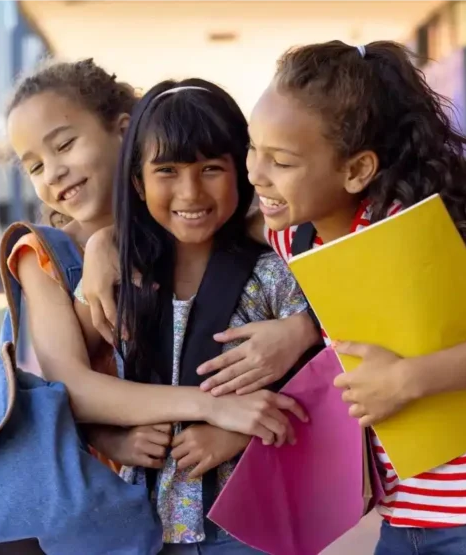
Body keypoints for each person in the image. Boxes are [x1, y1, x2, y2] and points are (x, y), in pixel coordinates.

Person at [81, 41, 466, 555]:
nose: (255, 174)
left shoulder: (408, 227)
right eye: (253, 149)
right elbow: (200, 219)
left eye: (283, 161)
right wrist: (104, 242)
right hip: (405, 515)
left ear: (357, 170)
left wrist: (407, 379)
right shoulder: (293, 237)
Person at [4, 59, 314, 452]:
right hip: (109, 485)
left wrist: (304, 329)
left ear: (124, 132)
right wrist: (111, 438)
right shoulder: (43, 255)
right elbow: (67, 386)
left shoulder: (202, 231)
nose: (53, 173)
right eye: (34, 166)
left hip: (205, 469)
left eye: (65, 145)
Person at [97, 77, 318, 553]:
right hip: (141, 525)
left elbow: (331, 375)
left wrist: (235, 435)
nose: (191, 191)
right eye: (167, 171)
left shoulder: (276, 271)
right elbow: (73, 387)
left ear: (242, 170)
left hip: (251, 523)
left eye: (212, 168)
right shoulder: (116, 281)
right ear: (137, 182)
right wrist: (111, 440)